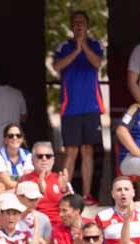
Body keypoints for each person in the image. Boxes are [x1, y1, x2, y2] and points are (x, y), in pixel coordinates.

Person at [51, 11, 104, 203]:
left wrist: (84, 46)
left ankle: (88, 194)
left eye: (82, 23)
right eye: (75, 23)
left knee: (88, 150)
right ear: (71, 27)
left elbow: (97, 63)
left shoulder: (96, 44)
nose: (79, 26)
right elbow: (57, 66)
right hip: (70, 107)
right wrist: (76, 50)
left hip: (91, 106)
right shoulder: (64, 46)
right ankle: (64, 193)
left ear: (87, 26)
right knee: (71, 152)